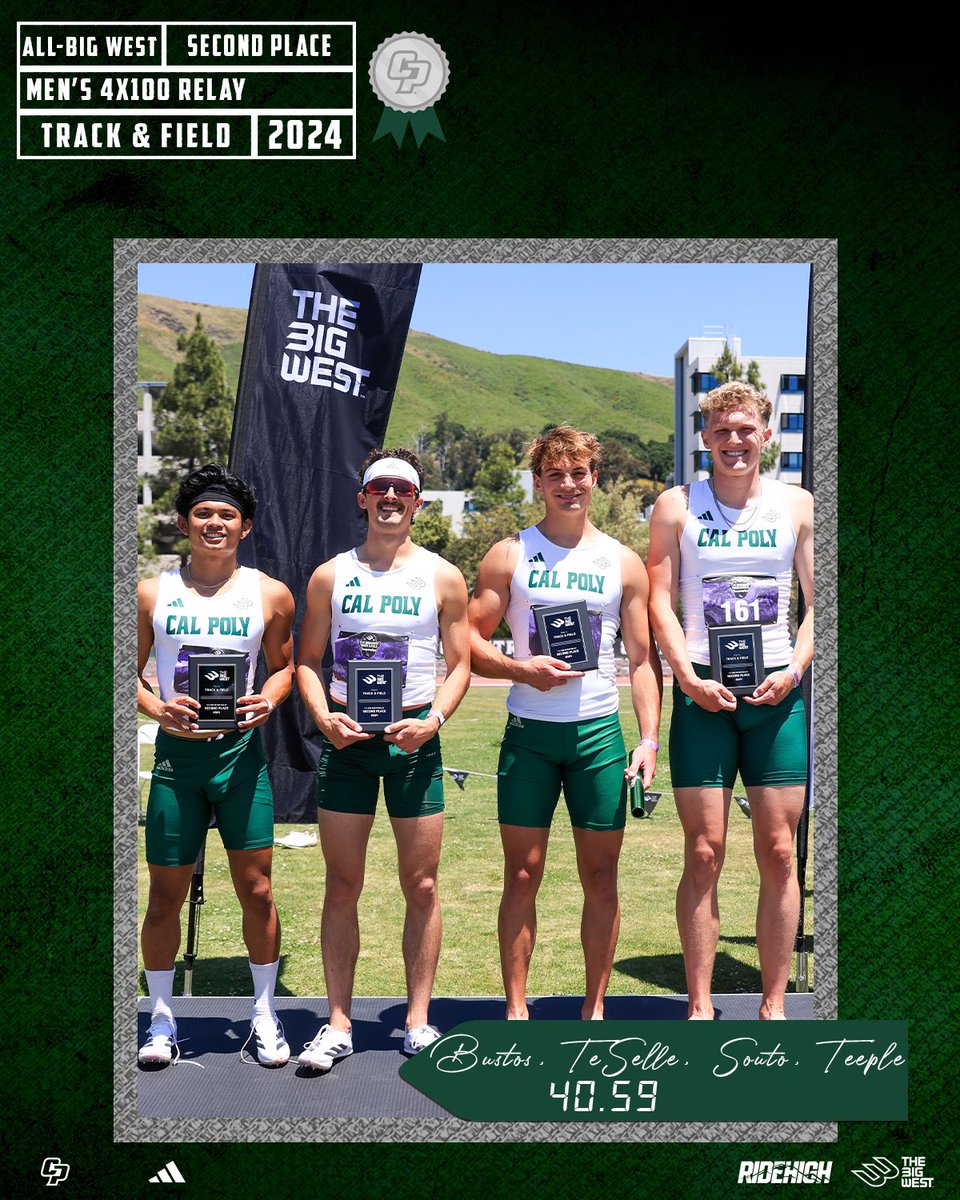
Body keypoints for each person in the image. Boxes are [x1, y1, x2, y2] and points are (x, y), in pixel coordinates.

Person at [467, 426, 661, 1021]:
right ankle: (516, 1011)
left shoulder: (623, 562)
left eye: (579, 473)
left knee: (600, 878)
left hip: (597, 737)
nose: (569, 484)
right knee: (522, 874)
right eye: (556, 474)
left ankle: (593, 1010)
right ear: (538, 482)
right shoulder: (509, 554)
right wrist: (519, 669)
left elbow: (642, 660)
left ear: (594, 478)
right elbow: (467, 641)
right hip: (529, 736)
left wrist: (648, 740)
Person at [296, 448, 470, 1071]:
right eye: (380, 488)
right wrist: (323, 718)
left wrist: (433, 721)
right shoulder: (329, 575)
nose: (390, 497)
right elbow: (306, 661)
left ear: (417, 502)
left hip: (413, 742)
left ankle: (417, 1021)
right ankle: (338, 1024)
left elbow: (461, 665)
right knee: (342, 884)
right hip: (348, 743)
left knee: (421, 884)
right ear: (363, 498)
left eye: (402, 489)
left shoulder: (444, 577)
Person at [647, 380, 814, 1021]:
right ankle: (699, 1005)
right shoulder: (675, 505)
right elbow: (659, 600)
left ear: (765, 435)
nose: (734, 441)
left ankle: (773, 1005)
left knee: (779, 851)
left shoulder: (796, 504)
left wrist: (794, 670)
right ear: (705, 438)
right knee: (703, 851)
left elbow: (818, 604)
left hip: (776, 695)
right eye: (722, 431)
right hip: (704, 695)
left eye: (746, 430)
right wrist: (686, 678)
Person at [137, 463, 295, 1066]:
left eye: (227, 515)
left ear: (245, 527)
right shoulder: (152, 592)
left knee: (257, 890)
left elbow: (284, 667)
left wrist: (269, 700)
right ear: (184, 523)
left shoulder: (270, 593)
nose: (214, 523)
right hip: (178, 760)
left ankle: (264, 1013)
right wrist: (158, 707)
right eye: (202, 513)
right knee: (163, 897)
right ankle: (160, 1019)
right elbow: (123, 670)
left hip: (240, 759)